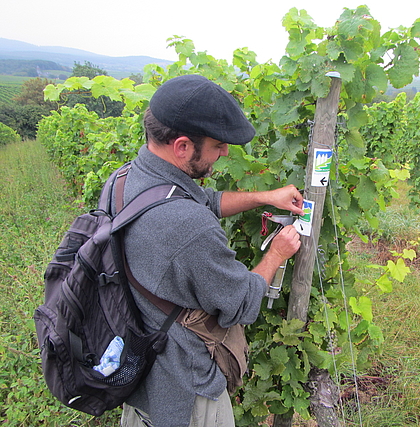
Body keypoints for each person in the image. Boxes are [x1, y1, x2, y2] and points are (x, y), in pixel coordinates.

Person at [119, 74, 303, 427]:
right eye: (218, 145)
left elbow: (208, 200)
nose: (225, 153)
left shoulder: (129, 179)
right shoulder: (188, 226)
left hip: (138, 373)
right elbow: (241, 303)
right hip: (184, 395)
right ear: (183, 147)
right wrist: (276, 255)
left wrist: (264, 197)